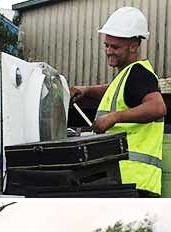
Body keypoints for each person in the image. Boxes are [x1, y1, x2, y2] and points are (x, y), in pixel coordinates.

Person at [70, 7, 166, 197]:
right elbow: (115, 91)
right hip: (128, 180)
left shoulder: (139, 74)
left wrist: (114, 117)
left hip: (133, 182)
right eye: (106, 45)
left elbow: (158, 107)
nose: (108, 51)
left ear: (134, 45)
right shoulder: (128, 77)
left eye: (114, 47)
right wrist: (87, 90)